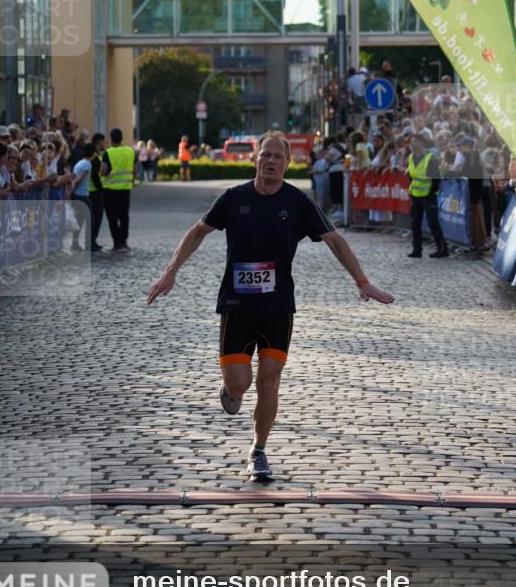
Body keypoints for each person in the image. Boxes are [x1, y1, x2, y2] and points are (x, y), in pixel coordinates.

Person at [146, 131, 395, 483]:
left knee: (269, 381)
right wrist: (171, 271)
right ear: (255, 160)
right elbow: (198, 232)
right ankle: (230, 392)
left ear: (288, 164)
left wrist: (362, 281)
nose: (272, 161)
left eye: (279, 157)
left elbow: (335, 241)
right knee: (239, 385)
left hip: (278, 306)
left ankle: (258, 451)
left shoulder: (297, 203)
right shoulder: (234, 199)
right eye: (266, 155)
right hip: (236, 304)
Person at [406, 132, 448, 259]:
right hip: (416, 196)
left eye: (415, 141)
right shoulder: (411, 157)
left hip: (428, 196)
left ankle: (442, 249)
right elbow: (411, 176)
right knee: (415, 223)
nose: (412, 144)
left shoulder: (431, 159)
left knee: (432, 223)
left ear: (422, 144)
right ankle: (417, 249)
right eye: (411, 141)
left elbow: (436, 179)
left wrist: (431, 193)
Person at [101, 128, 135, 251]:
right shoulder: (130, 151)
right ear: (121, 138)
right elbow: (135, 169)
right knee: (124, 216)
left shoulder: (108, 152)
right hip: (125, 189)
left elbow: (103, 170)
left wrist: (104, 175)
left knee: (112, 217)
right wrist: (131, 181)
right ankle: (124, 242)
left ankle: (117, 243)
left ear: (111, 139)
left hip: (110, 190)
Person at [70, 142, 95, 252]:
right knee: (91, 220)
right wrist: (73, 190)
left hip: (77, 195)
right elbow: (79, 180)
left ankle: (74, 244)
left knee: (79, 220)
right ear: (93, 154)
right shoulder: (87, 165)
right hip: (82, 195)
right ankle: (89, 244)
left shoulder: (79, 163)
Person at [89, 133, 106, 251]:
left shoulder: (96, 156)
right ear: (99, 142)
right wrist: (101, 190)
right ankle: (91, 242)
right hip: (94, 192)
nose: (104, 144)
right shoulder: (94, 157)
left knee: (95, 218)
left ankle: (93, 241)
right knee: (95, 218)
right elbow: (95, 176)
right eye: (103, 142)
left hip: (93, 191)